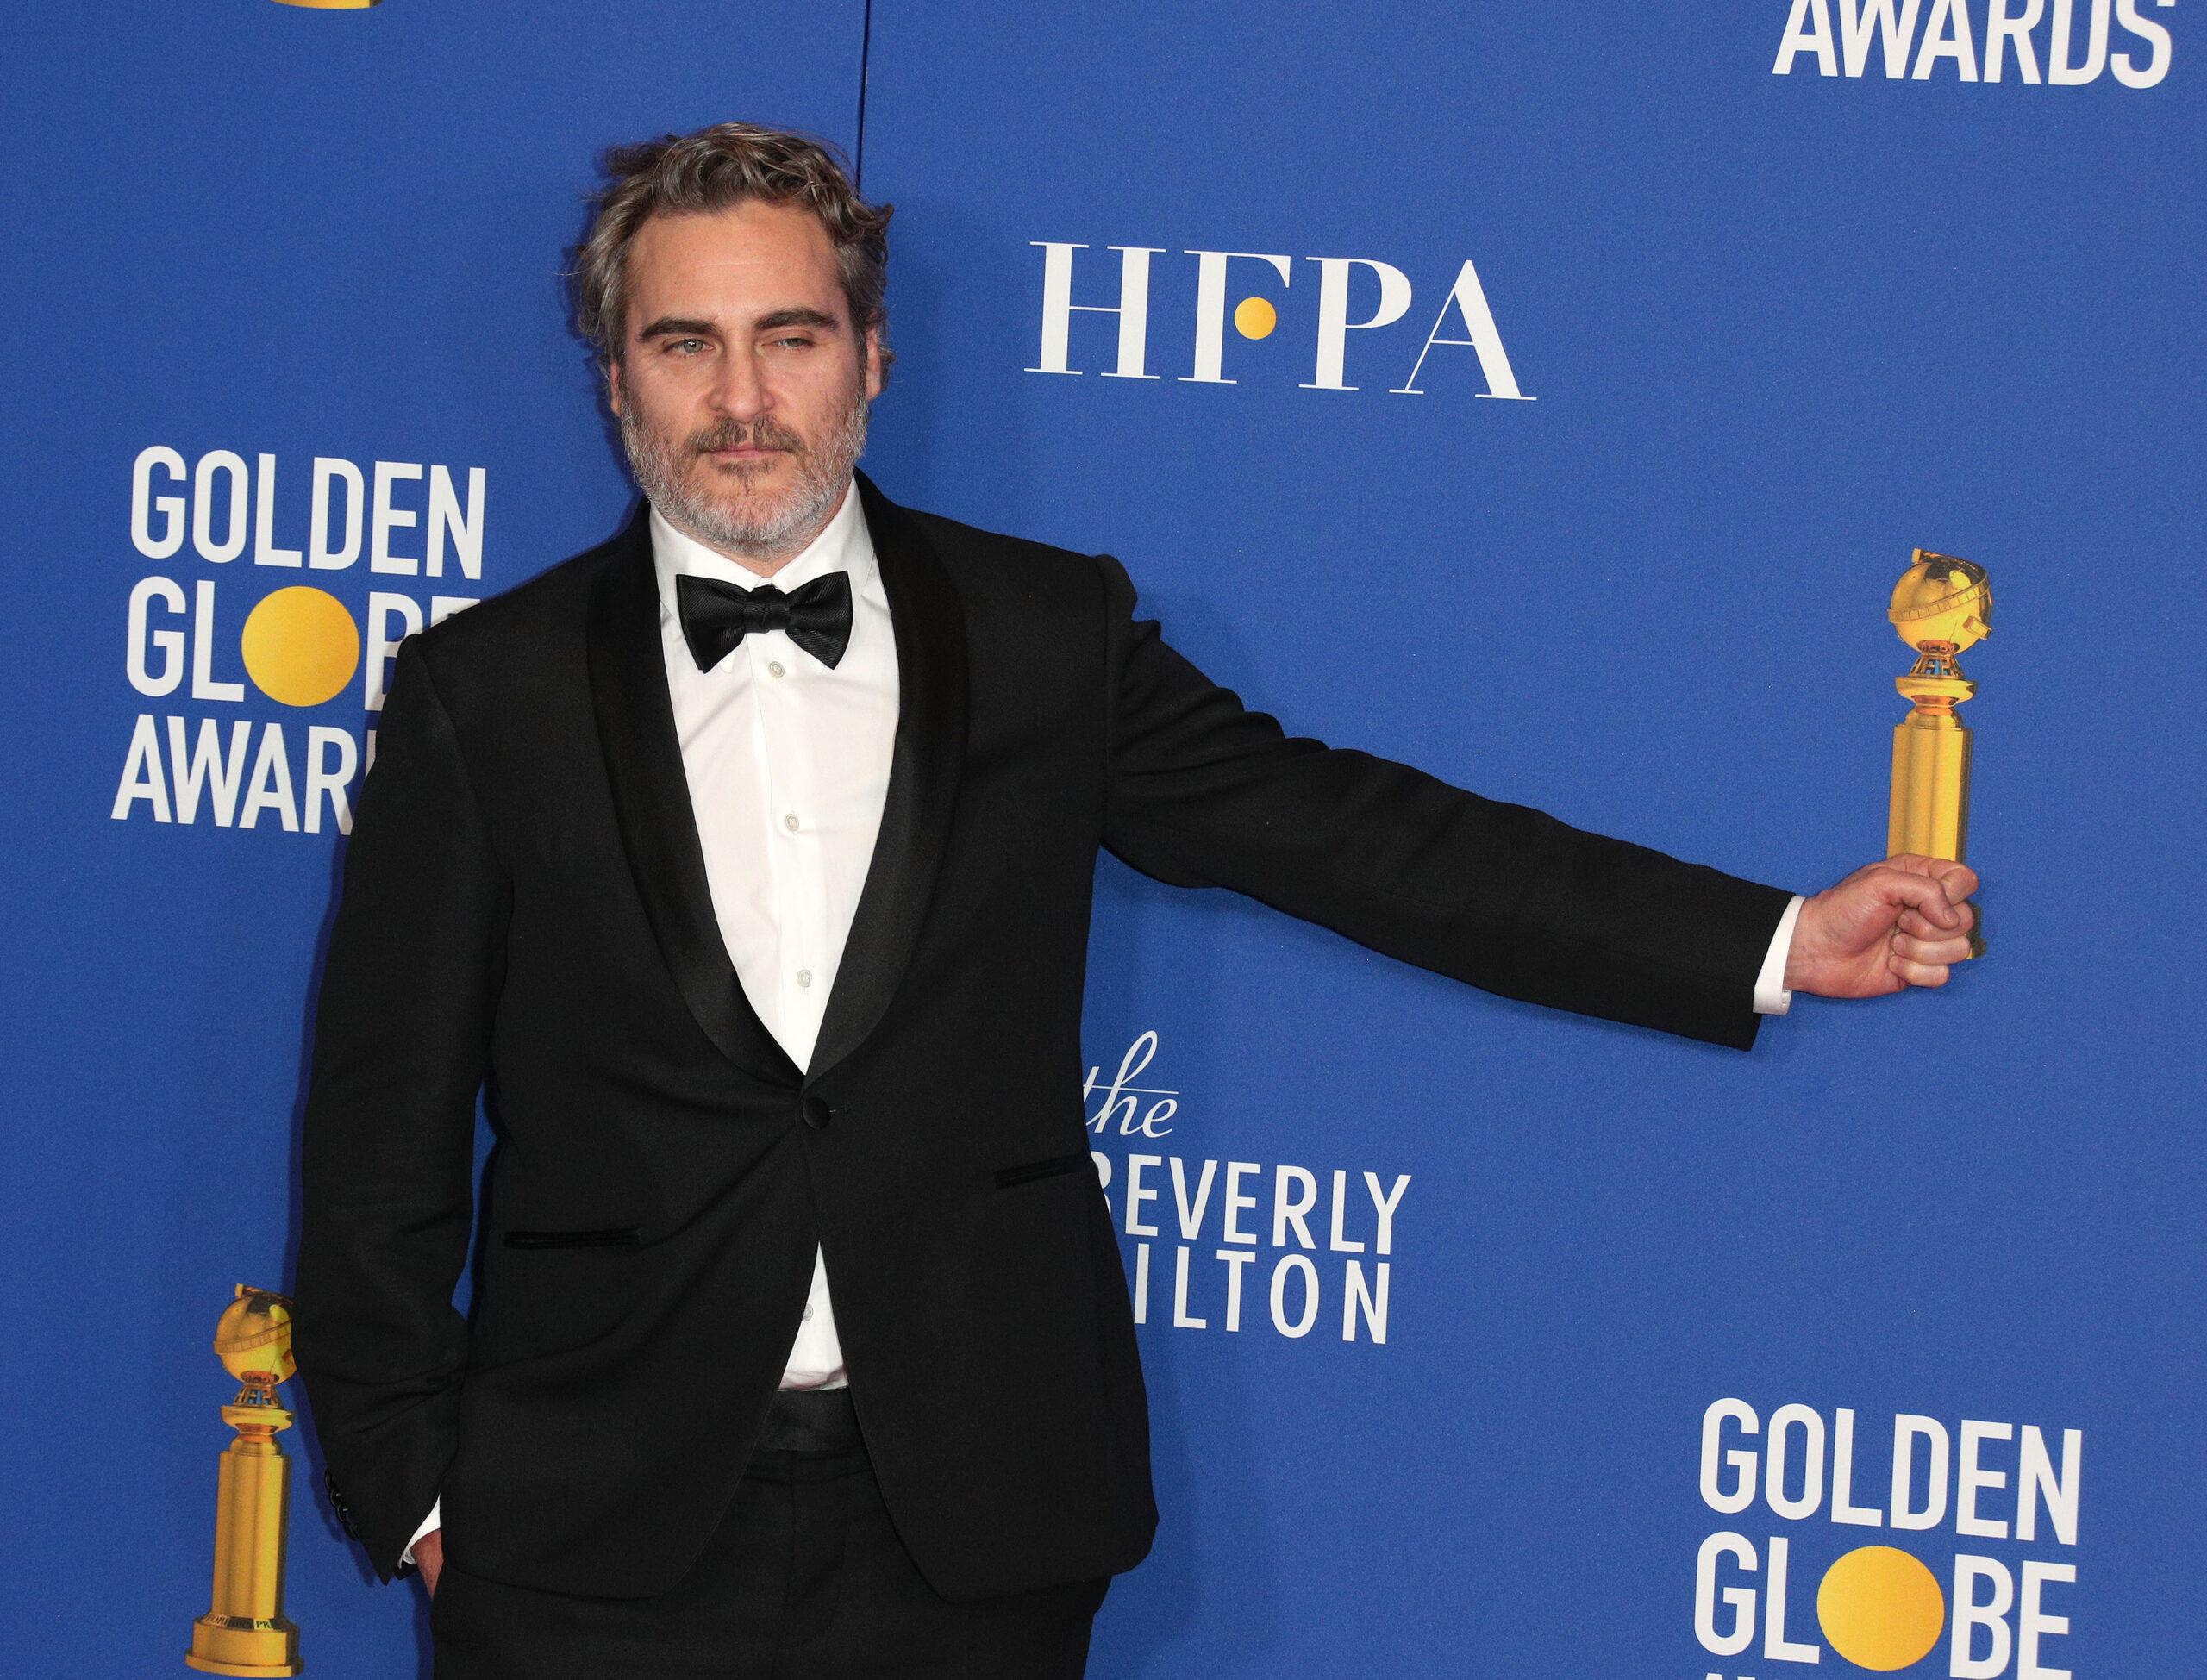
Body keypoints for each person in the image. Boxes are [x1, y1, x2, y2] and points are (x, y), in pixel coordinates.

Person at [290, 121, 1979, 1679]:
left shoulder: (1040, 638)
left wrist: (1761, 937)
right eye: (685, 343)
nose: (742, 397)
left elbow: (1361, 839)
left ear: (870, 357)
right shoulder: (477, 696)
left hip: (972, 1522)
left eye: (788, 336)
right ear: (615, 383)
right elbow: (381, 1139)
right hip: (584, 1531)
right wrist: (421, 1496)